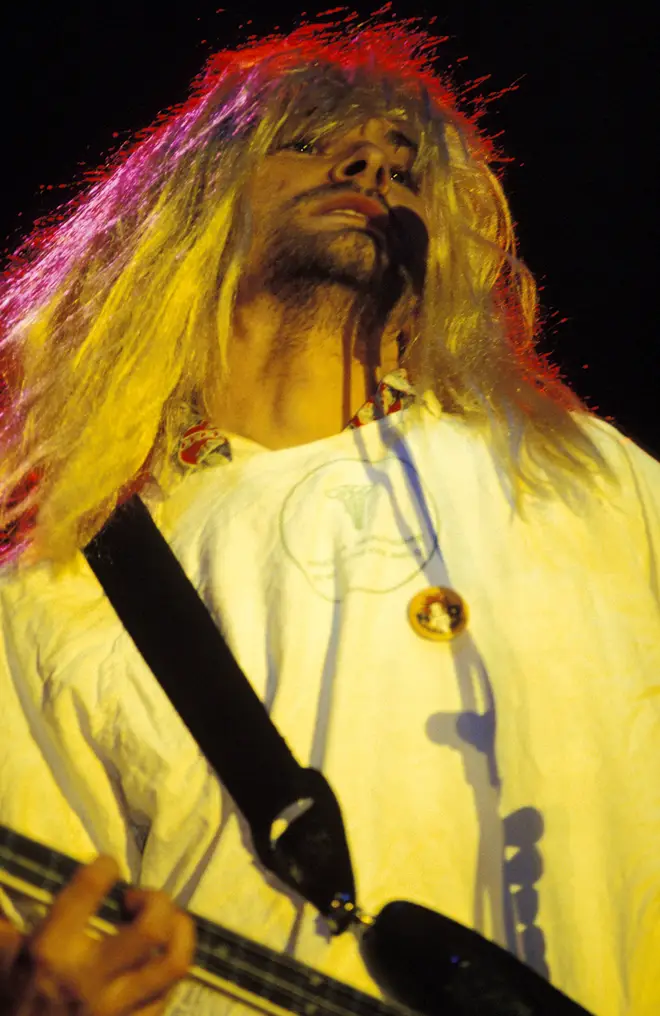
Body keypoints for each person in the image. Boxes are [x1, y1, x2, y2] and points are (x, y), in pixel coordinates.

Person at [0, 10, 659, 1016]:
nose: (372, 158)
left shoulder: (589, 482)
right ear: (189, 212)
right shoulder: (57, 585)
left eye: (406, 158)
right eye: (308, 140)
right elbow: (47, 924)